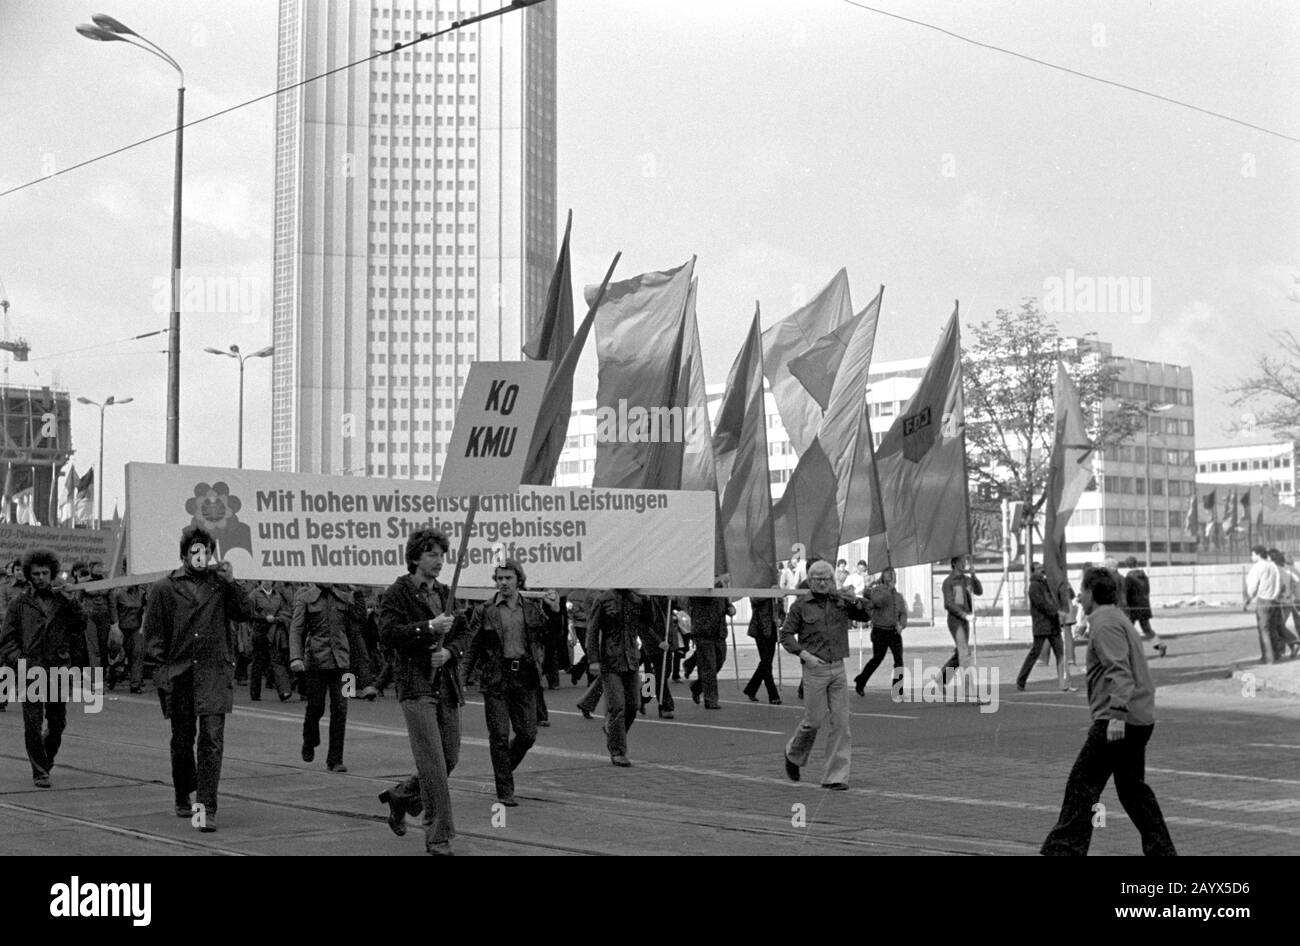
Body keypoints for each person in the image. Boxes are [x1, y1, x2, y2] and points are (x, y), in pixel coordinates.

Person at [1041, 567, 1177, 856]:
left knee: (1082, 784)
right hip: (1137, 716)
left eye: (1082, 590)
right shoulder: (1116, 617)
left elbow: (1120, 672)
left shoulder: (1104, 622)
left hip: (1118, 720)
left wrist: (1116, 715)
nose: (1078, 597)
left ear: (1091, 592)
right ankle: (1162, 851)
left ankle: (1064, 850)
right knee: (1132, 791)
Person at [143, 525, 254, 832]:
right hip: (179, 675)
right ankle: (183, 792)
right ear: (184, 555)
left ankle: (205, 810)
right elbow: (153, 638)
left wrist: (232, 582)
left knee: (212, 742)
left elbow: (245, 613)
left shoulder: (221, 586)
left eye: (205, 551)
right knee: (182, 742)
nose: (200, 556)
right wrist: (161, 674)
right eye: (194, 551)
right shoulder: (164, 588)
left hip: (214, 674)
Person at [377, 529, 471, 856]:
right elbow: (387, 633)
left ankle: (402, 796)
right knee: (432, 763)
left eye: (442, 555)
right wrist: (428, 629)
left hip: (446, 686)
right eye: (432, 554)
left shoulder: (446, 593)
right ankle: (438, 836)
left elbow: (463, 635)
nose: (439, 561)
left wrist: (450, 653)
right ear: (415, 557)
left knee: (449, 758)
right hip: (416, 686)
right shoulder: (398, 592)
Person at [464, 560, 554, 806]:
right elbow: (471, 647)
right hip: (496, 677)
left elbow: (550, 636)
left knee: (527, 734)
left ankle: (502, 773)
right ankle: (504, 789)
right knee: (500, 736)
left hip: (524, 676)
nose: (503, 583)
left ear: (518, 580)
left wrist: (554, 611)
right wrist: (461, 679)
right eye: (499, 578)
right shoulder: (485, 610)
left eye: (508, 578)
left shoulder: (532, 609)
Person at [779, 560, 874, 790]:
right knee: (813, 721)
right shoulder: (801, 606)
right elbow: (786, 636)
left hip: (838, 667)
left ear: (833, 580)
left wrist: (856, 601)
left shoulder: (840, 602)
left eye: (827, 579)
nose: (823, 583)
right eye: (818, 579)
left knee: (841, 723)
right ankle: (793, 754)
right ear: (810, 581)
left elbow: (866, 614)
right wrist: (805, 655)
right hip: (815, 669)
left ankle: (835, 777)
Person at [0, 549, 88, 787]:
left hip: (58, 668)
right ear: (29, 574)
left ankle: (46, 759)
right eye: (35, 573)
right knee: (32, 722)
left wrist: (72, 602)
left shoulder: (63, 600)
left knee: (58, 723)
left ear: (53, 574)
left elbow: (80, 625)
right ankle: (39, 770)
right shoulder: (20, 603)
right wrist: (20, 661)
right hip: (31, 670)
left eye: (45, 573)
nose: (40, 577)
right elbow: (7, 639)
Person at [289, 583, 370, 772]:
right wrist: (296, 657)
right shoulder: (306, 597)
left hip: (343, 664)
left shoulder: (344, 596)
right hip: (316, 663)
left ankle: (335, 759)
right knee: (315, 707)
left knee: (341, 709)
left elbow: (360, 620)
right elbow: (297, 629)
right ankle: (309, 740)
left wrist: (357, 593)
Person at [586, 587, 662, 766]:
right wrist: (594, 660)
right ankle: (618, 751)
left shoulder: (636, 599)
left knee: (633, 705)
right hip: (610, 660)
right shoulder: (604, 599)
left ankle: (613, 732)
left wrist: (649, 600)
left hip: (631, 659)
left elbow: (649, 621)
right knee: (617, 706)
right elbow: (593, 630)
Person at [1016, 563, 1076, 692]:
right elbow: (1042, 604)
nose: (1041, 571)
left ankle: (1064, 683)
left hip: (1053, 624)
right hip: (1042, 624)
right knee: (1035, 653)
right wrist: (1056, 612)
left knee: (1060, 653)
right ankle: (1021, 679)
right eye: (1037, 569)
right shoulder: (1034, 586)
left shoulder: (1047, 584)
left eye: (1041, 568)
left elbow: (1059, 597)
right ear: (1033, 572)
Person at [853, 567, 907, 696]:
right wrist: (880, 587)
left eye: (893, 575)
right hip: (880, 630)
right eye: (889, 575)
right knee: (877, 658)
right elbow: (876, 600)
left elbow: (903, 613)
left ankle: (897, 688)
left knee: (899, 660)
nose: (892, 577)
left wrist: (902, 625)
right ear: (883, 578)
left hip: (893, 631)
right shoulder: (877, 591)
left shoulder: (898, 596)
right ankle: (861, 680)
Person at [684, 576, 734, 710]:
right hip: (703, 631)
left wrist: (730, 608)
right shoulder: (697, 584)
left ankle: (697, 686)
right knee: (709, 666)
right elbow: (703, 598)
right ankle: (711, 699)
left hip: (719, 631)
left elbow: (724, 602)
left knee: (719, 661)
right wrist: (714, 584)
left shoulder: (720, 586)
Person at [248, 579, 294, 701]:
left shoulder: (278, 594)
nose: (266, 582)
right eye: (264, 580)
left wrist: (277, 618)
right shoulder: (254, 594)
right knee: (258, 662)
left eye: (268, 580)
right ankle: (255, 693)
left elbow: (284, 611)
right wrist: (263, 617)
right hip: (259, 631)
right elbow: (248, 612)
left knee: (276, 660)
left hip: (274, 631)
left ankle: (284, 691)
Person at [940, 556, 983, 687]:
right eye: (961, 561)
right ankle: (970, 690)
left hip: (965, 620)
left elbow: (979, 591)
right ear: (954, 563)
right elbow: (949, 604)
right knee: (964, 653)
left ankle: (941, 679)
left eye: (965, 561)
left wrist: (974, 576)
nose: (964, 564)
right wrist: (964, 615)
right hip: (955, 620)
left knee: (960, 652)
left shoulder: (967, 580)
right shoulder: (948, 582)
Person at [1243, 544, 1283, 664]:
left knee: (1263, 630)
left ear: (1257, 554)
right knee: (1271, 628)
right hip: (1273, 600)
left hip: (1262, 600)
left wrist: (1248, 599)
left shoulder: (1258, 567)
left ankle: (1268, 658)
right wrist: (1275, 596)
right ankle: (1276, 655)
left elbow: (1252, 586)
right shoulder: (1273, 566)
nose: (1251, 557)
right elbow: (1279, 583)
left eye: (1252, 554)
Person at [743, 591, 785, 704]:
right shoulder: (759, 589)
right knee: (766, 663)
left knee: (766, 663)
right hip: (760, 629)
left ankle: (751, 689)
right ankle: (773, 694)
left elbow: (782, 611)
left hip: (772, 631)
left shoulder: (776, 591)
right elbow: (755, 599)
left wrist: (780, 620)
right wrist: (771, 592)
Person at [1122, 557, 1166, 658]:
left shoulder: (1129, 578)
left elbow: (1127, 593)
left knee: (1128, 629)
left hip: (1133, 607)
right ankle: (1160, 645)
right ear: (1136, 563)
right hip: (1144, 605)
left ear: (1127, 565)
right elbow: (1147, 591)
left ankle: (1129, 652)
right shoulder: (1144, 576)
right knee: (1147, 628)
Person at [110, 581, 148, 693]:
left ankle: (135, 684)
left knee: (137, 652)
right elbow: (113, 609)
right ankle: (112, 677)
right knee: (118, 656)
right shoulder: (119, 593)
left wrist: (142, 627)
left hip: (135, 627)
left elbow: (145, 609)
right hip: (121, 627)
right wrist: (115, 626)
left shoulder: (141, 593)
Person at [1266, 549, 1300, 658]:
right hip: (1288, 601)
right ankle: (1284, 648)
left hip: (1285, 601)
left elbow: (1286, 586)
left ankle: (1290, 644)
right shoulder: (1285, 570)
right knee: (1278, 625)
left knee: (1277, 625)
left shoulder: (1281, 570)